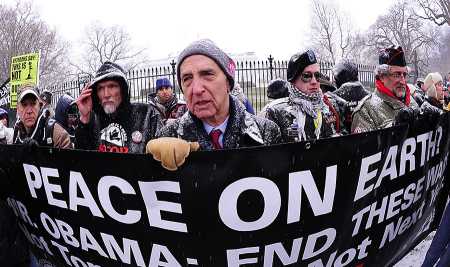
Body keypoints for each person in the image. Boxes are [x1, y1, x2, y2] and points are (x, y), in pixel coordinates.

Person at [146, 39, 280, 170]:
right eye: (187, 79)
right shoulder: (169, 136)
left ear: (228, 83)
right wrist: (150, 159)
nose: (197, 89)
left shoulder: (266, 131)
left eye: (207, 74)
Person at [75, 61, 162, 154]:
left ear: (123, 90)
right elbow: (81, 160)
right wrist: (84, 119)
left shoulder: (147, 114)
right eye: (100, 88)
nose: (106, 94)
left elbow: (161, 158)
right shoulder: (91, 119)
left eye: (112, 86)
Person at [262, 50, 340, 142]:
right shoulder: (276, 112)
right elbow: (271, 152)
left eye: (317, 75)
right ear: (293, 79)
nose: (314, 81)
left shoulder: (330, 105)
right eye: (307, 76)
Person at [351, 46, 420, 133]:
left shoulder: (412, 101)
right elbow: (364, 145)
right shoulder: (365, 110)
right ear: (382, 76)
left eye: (404, 75)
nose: (403, 81)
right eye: (397, 75)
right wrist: (394, 127)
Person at [332, 59, 370, 133]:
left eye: (334, 78)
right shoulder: (370, 96)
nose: (334, 81)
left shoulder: (331, 98)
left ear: (338, 77)